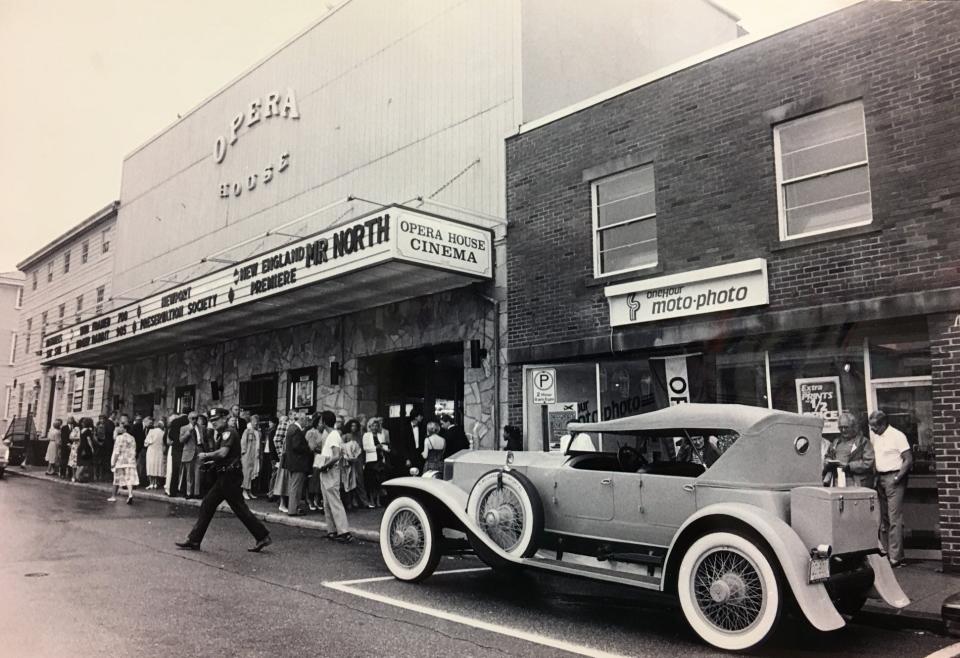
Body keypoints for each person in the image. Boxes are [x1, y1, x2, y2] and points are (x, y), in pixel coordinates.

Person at [175, 407, 272, 552]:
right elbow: (226, 457)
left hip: (229, 478)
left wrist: (207, 456)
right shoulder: (222, 434)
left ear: (224, 418)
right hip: (225, 476)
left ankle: (262, 536)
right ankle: (194, 540)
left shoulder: (229, 433)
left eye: (216, 420)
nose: (213, 423)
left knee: (235, 507)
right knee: (212, 504)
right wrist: (212, 463)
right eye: (211, 421)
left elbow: (223, 453)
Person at [869, 410, 913, 567]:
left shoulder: (897, 436)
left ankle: (896, 556)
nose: (872, 429)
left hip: (893, 477)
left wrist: (897, 478)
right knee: (884, 518)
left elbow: (908, 460)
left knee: (894, 518)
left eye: (874, 426)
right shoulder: (877, 437)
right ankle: (887, 553)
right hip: (880, 478)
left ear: (883, 424)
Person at [317, 410, 351, 542]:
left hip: (330, 471)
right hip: (325, 471)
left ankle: (344, 532)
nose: (319, 423)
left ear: (324, 422)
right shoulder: (330, 434)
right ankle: (332, 530)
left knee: (335, 501)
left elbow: (336, 455)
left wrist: (325, 465)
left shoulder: (334, 435)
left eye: (320, 421)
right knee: (326, 502)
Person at [823, 412, 875, 487]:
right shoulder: (836, 442)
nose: (843, 430)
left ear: (853, 427)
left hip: (855, 481)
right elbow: (828, 456)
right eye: (841, 427)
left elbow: (868, 462)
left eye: (846, 427)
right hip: (838, 480)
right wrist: (828, 462)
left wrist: (849, 466)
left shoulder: (863, 442)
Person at [284, 411, 312, 516]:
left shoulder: (291, 428)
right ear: (302, 419)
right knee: (296, 487)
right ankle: (293, 510)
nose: (307, 422)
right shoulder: (296, 430)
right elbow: (297, 446)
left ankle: (293, 508)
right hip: (298, 463)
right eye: (306, 420)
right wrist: (308, 448)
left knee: (294, 486)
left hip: (293, 462)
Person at [109, 425, 138, 504]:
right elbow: (134, 450)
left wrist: (113, 462)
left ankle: (113, 496)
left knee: (116, 479)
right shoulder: (132, 438)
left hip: (120, 461)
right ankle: (130, 494)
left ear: (125, 429)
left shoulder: (119, 438)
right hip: (130, 461)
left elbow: (117, 451)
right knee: (129, 479)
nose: (120, 428)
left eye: (121, 427)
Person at [362, 417, 387, 507]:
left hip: (380, 460)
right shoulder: (366, 435)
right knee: (372, 482)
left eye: (376, 426)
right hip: (371, 461)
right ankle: (372, 500)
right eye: (373, 426)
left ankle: (378, 500)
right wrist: (376, 448)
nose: (375, 428)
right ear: (370, 426)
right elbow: (365, 448)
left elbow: (384, 446)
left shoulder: (381, 435)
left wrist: (384, 448)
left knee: (379, 482)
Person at [340, 419, 364, 510]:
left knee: (356, 481)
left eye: (355, 426)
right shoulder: (345, 436)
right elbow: (342, 448)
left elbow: (360, 449)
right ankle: (348, 502)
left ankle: (356, 500)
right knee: (347, 482)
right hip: (346, 462)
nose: (353, 428)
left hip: (356, 462)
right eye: (351, 426)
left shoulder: (359, 436)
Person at [179, 411, 201, 498]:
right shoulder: (184, 428)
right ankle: (189, 492)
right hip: (189, 452)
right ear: (189, 419)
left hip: (199, 451)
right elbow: (181, 440)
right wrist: (188, 433)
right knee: (189, 474)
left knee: (198, 473)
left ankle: (197, 493)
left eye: (196, 418)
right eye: (193, 418)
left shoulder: (201, 427)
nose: (195, 420)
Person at [306, 413, 325, 511]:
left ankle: (317, 499)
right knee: (313, 480)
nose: (323, 424)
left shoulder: (324, 433)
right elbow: (311, 448)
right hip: (314, 459)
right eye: (321, 422)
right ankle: (310, 499)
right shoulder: (312, 433)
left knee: (319, 480)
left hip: (322, 459)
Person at [272, 414, 291, 511]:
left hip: (290, 457)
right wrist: (281, 453)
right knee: (283, 479)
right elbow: (276, 439)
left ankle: (285, 503)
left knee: (288, 480)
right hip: (285, 456)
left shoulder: (292, 424)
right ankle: (282, 503)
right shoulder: (285, 424)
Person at [240, 414, 261, 500]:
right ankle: (244, 490)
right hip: (247, 454)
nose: (256, 423)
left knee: (252, 472)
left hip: (254, 455)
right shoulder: (247, 431)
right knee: (246, 472)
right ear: (251, 422)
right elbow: (243, 442)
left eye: (257, 421)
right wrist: (243, 452)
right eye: (254, 421)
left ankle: (249, 491)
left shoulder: (257, 432)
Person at [144, 417, 166, 489]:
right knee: (157, 467)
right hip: (159, 451)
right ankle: (156, 483)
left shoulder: (151, 431)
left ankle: (151, 483)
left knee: (151, 466)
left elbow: (146, 443)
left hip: (151, 451)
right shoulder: (163, 433)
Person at [76, 417, 97, 483]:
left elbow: (80, 440)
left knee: (80, 463)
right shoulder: (88, 431)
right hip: (86, 448)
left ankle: (77, 476)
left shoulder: (82, 430)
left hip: (81, 447)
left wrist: (78, 447)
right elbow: (89, 440)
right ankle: (78, 476)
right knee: (85, 463)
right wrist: (92, 448)